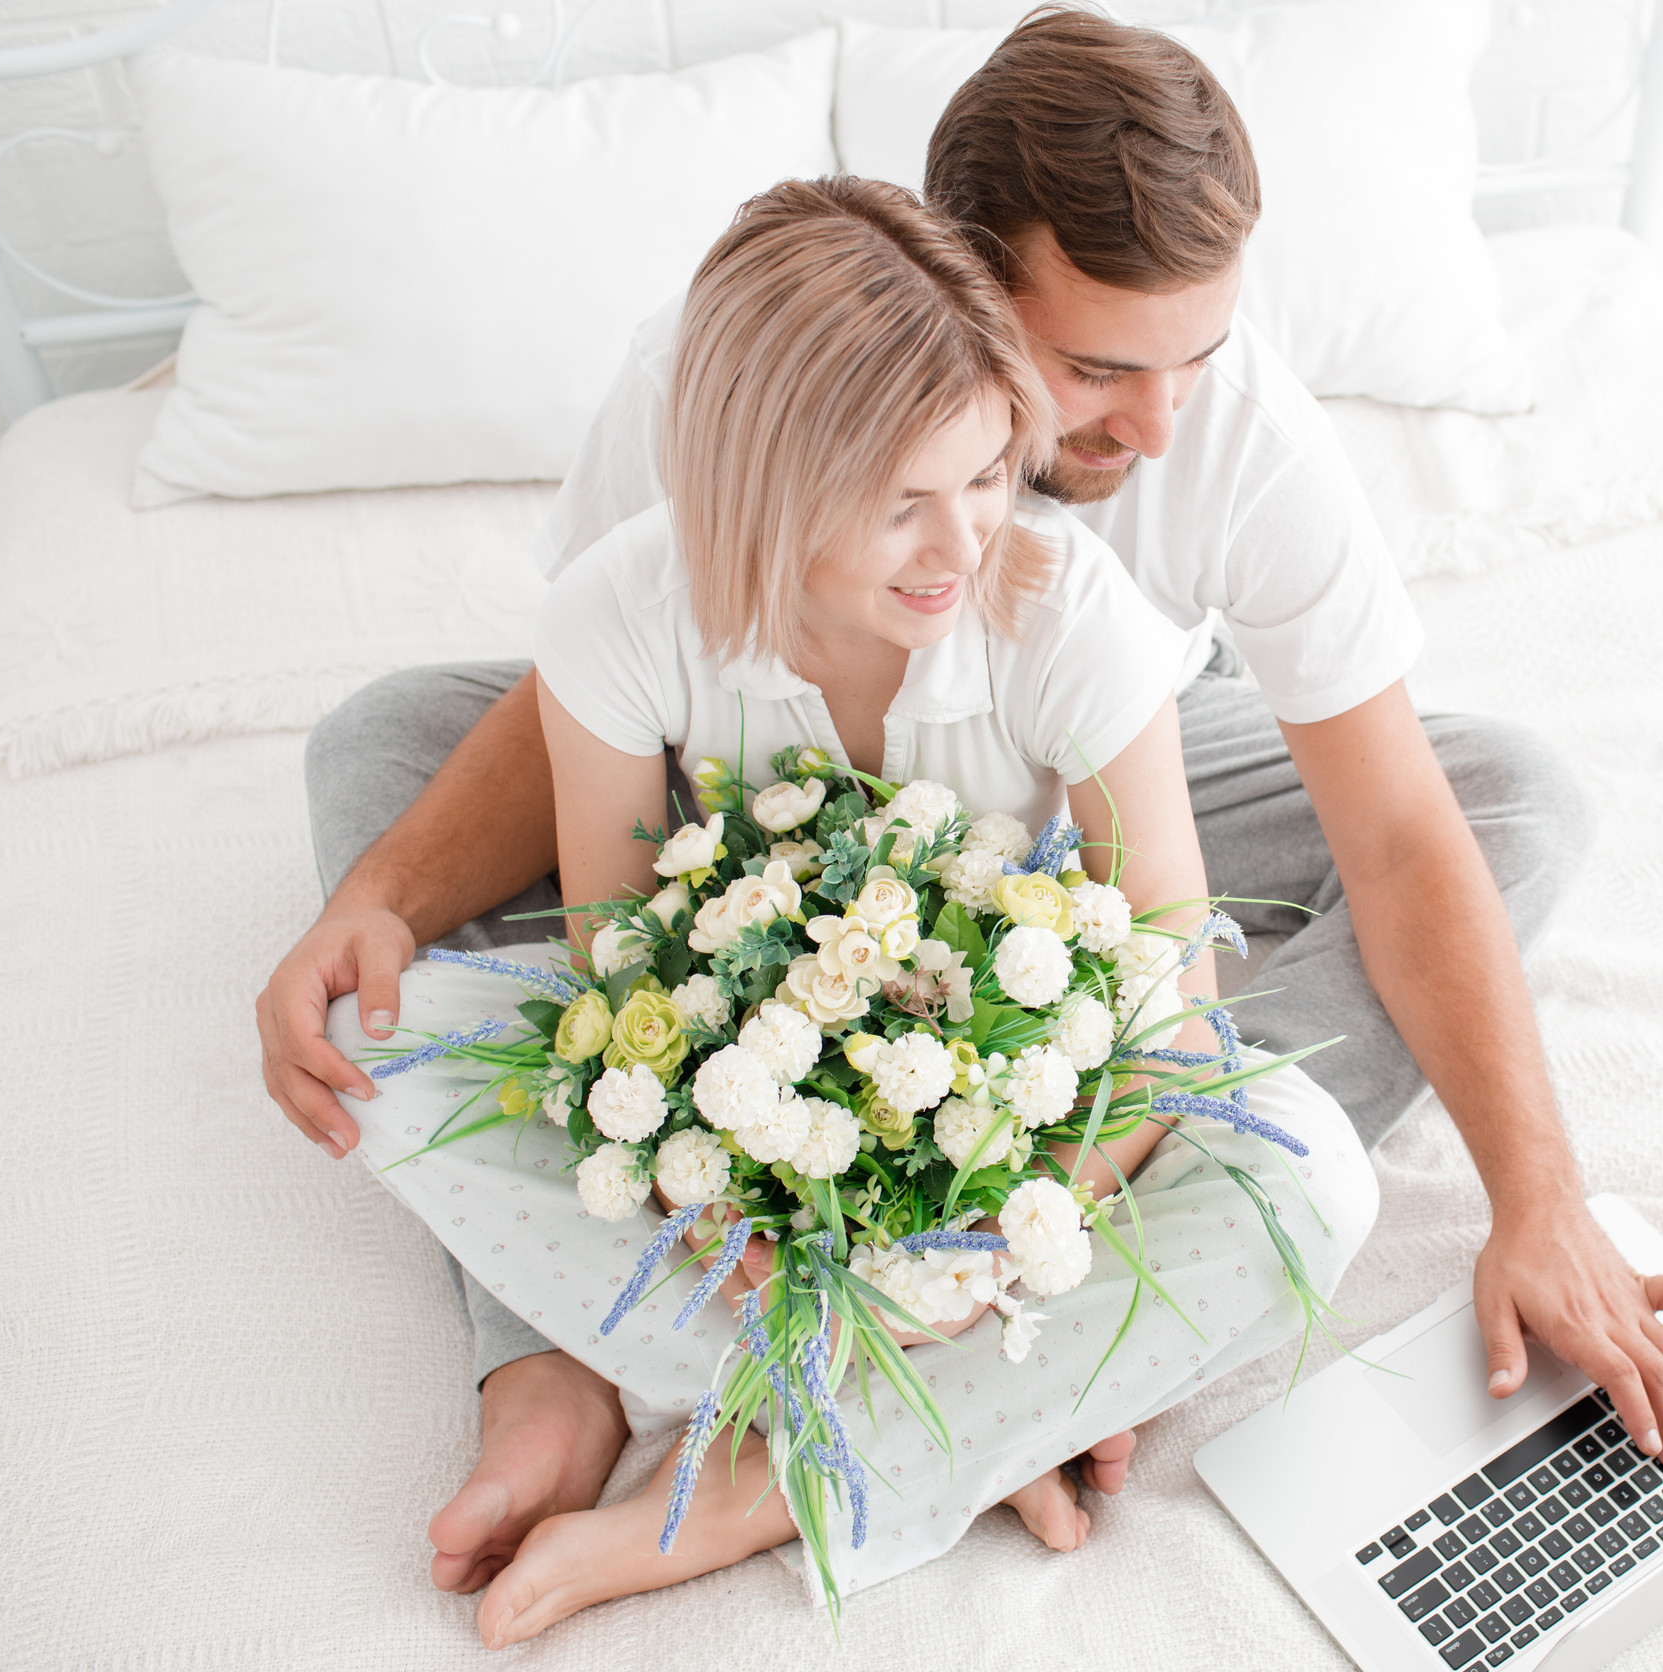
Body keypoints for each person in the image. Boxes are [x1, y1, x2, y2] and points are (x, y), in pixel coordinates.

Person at [259, 0, 1663, 1613]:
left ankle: (1016, 1308)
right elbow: (593, 710)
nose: (1156, 429)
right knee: (382, 753)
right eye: (1094, 369)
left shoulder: (1186, 478)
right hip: (750, 828)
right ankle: (558, 1359)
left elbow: (1395, 832)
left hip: (1095, 800)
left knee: (1515, 801)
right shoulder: (735, 378)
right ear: (950, 279)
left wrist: (1539, 1200)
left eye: (1194, 361)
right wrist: (387, 892)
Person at [327, 174, 1380, 1645]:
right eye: (901, 504)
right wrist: (734, 1217)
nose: (959, 545)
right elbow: (617, 999)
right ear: (765, 486)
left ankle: (752, 1491)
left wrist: (1008, 1241)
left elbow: (1169, 1003)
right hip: (763, 1125)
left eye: (989, 474)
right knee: (362, 1038)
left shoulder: (1067, 613)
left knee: (1311, 1181)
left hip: (1015, 1133)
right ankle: (980, 1423)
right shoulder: (622, 616)